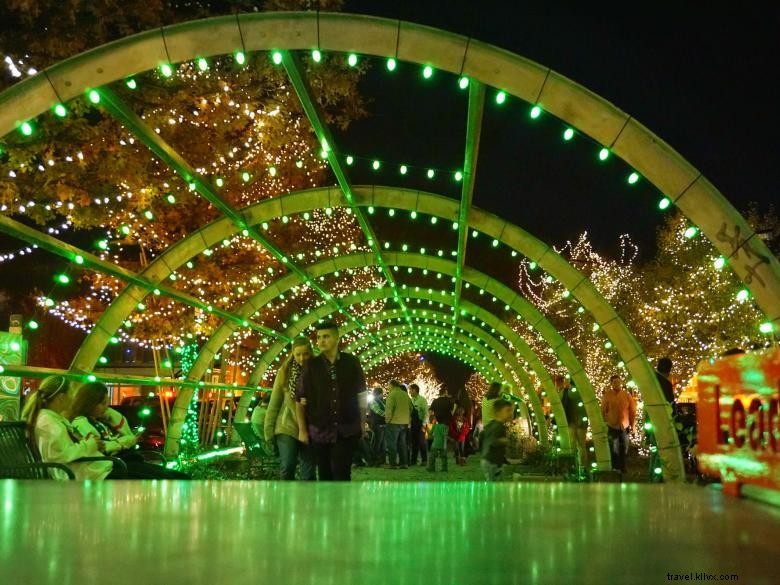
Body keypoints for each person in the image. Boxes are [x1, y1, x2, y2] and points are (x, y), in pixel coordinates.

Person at [69, 382, 190, 479]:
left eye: (107, 403)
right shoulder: (81, 422)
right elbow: (100, 447)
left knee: (179, 476)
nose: (107, 407)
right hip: (115, 466)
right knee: (175, 479)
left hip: (123, 462)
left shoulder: (99, 421)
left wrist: (112, 415)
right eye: (103, 404)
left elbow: (126, 432)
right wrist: (125, 442)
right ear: (90, 403)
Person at [295, 320, 368, 481]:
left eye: (326, 336)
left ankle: (341, 506)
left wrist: (362, 422)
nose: (321, 340)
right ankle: (327, 506)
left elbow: (361, 395)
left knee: (342, 473)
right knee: (324, 475)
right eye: (319, 337)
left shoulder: (352, 362)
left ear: (337, 338)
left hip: (346, 428)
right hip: (320, 429)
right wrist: (302, 430)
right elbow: (300, 399)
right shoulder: (311, 366)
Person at [20, 376, 112, 480]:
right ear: (61, 397)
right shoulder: (47, 422)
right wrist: (89, 445)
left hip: (87, 470)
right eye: (71, 394)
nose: (73, 398)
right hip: (78, 474)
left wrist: (91, 444)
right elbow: (59, 456)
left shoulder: (52, 418)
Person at [264, 337, 316, 480]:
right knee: (288, 465)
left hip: (310, 426)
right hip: (287, 425)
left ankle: (308, 500)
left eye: (305, 354)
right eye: (298, 354)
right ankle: (284, 498)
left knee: (309, 470)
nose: (301, 358)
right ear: (292, 353)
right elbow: (274, 402)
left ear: (310, 353)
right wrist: (268, 432)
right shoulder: (285, 371)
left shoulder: (317, 370)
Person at [601, 374, 637, 473]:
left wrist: (633, 425)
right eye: (614, 382)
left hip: (624, 425)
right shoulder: (607, 395)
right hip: (612, 425)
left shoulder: (626, 395)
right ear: (611, 384)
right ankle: (615, 466)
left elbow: (632, 410)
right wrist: (605, 421)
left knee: (623, 446)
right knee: (614, 447)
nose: (617, 384)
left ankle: (623, 466)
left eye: (618, 382)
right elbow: (603, 410)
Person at [558, 376, 588, 471]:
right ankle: (582, 467)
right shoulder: (582, 392)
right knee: (581, 446)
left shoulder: (568, 392)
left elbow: (560, 401)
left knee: (573, 445)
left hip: (572, 421)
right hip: (577, 422)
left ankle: (575, 467)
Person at [480, 399, 514, 481]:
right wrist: (505, 440)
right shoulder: (499, 426)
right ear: (499, 412)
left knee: (493, 484)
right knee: (494, 485)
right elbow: (493, 441)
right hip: (492, 461)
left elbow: (482, 436)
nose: (510, 413)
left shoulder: (491, 424)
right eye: (507, 411)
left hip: (487, 459)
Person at [384, 379, 411, 469]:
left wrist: (387, 420)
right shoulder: (405, 394)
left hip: (394, 422)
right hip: (404, 422)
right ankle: (404, 463)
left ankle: (393, 463)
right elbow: (411, 407)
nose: (388, 387)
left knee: (392, 444)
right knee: (402, 443)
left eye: (388, 385)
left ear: (391, 385)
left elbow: (389, 410)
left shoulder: (392, 395)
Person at [408, 383, 428, 465]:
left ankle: (424, 460)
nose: (409, 392)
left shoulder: (422, 400)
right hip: (413, 424)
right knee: (414, 442)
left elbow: (426, 413)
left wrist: (424, 424)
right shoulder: (411, 400)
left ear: (415, 390)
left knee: (421, 442)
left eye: (411, 390)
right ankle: (413, 460)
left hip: (420, 424)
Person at [367, 387, 386, 465]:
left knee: (382, 443)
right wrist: (387, 415)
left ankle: (381, 459)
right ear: (379, 394)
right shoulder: (373, 401)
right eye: (382, 394)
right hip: (377, 424)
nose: (383, 395)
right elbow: (377, 411)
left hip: (381, 424)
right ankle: (374, 459)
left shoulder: (381, 401)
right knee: (377, 442)